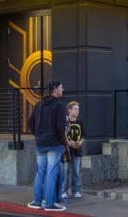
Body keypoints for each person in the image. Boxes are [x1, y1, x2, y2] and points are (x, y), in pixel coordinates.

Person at [25, 81, 67, 212]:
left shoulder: (39, 104)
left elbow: (30, 122)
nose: (63, 89)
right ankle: (49, 204)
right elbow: (61, 127)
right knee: (51, 172)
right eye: (61, 87)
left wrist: (37, 135)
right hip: (54, 144)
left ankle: (37, 201)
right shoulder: (59, 106)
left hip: (41, 143)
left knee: (40, 172)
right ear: (54, 89)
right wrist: (63, 141)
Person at [60, 101, 84, 200]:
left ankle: (76, 191)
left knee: (76, 172)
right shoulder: (65, 122)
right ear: (69, 110)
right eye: (75, 109)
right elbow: (62, 135)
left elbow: (83, 135)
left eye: (78, 109)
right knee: (65, 172)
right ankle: (63, 191)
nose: (77, 111)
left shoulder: (80, 122)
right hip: (67, 151)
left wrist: (80, 142)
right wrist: (68, 143)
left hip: (77, 150)